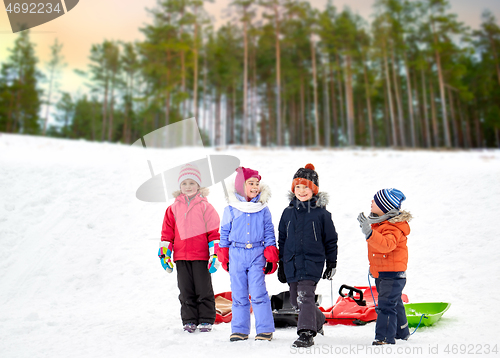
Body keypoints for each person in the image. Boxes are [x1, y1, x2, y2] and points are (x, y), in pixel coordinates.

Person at [277, 163, 338, 348]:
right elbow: (282, 239)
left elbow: (331, 240)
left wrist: (331, 263)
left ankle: (306, 334)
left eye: (306, 187)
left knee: (305, 296)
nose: (301, 191)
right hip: (292, 262)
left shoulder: (322, 214)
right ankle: (317, 320)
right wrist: (281, 263)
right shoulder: (287, 213)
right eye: (298, 187)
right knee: (296, 301)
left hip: (312, 262)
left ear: (314, 190)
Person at [217, 167, 279, 342]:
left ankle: (265, 329)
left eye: (257, 183)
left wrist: (270, 254)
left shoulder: (263, 208)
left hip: (257, 254)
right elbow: (224, 232)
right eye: (250, 183)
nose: (255, 186)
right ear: (240, 185)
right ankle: (240, 329)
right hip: (236, 253)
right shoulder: (231, 208)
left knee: (259, 292)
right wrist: (224, 254)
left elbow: (268, 232)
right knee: (238, 293)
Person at [159, 163, 220, 333]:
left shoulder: (206, 207)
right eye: (184, 183)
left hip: (200, 256)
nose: (188, 187)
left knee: (203, 289)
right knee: (185, 290)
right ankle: (189, 319)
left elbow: (214, 233)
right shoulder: (172, 209)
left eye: (192, 183)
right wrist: (165, 255)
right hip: (181, 257)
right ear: (179, 186)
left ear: (199, 185)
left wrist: (215, 255)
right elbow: (167, 234)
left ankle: (206, 319)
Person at [357, 188, 412, 345]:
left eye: (375, 201)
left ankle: (384, 338)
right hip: (385, 273)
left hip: (392, 275)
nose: (371, 202)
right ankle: (402, 331)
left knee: (386, 306)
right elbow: (380, 253)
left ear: (385, 207)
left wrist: (368, 233)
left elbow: (386, 246)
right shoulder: (381, 224)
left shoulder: (392, 227)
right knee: (394, 302)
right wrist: (375, 267)